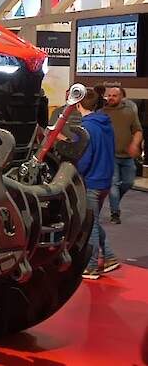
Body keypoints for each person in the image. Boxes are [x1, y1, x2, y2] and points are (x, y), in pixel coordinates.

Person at [75, 89, 120, 280]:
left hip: (91, 181)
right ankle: (109, 257)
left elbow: (84, 158)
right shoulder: (106, 124)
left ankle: (91, 266)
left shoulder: (85, 128)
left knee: (90, 225)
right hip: (105, 180)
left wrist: (75, 172)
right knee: (93, 221)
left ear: (78, 104)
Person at [103, 86, 143, 224]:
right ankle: (115, 213)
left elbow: (138, 131)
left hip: (127, 156)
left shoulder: (129, 112)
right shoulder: (102, 113)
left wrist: (135, 144)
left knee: (128, 182)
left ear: (121, 97)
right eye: (109, 95)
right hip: (110, 155)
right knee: (113, 185)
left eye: (114, 95)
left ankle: (114, 201)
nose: (111, 98)